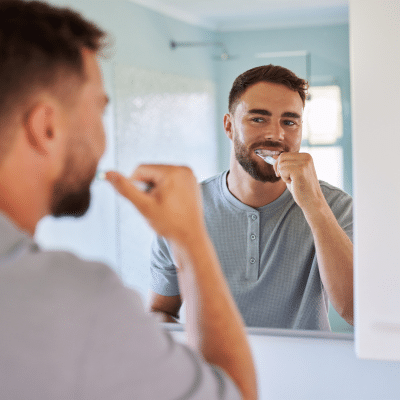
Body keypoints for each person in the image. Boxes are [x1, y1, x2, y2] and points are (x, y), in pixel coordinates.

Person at [0, 1, 257, 399]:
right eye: (99, 111)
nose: (103, 141)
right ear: (46, 127)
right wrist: (190, 239)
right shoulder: (78, 301)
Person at [150, 65, 353, 330]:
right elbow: (160, 311)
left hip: (307, 369)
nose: (275, 135)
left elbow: (355, 312)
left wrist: (314, 205)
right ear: (229, 126)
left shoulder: (336, 207)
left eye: (289, 122)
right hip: (214, 371)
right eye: (258, 119)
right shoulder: (181, 208)